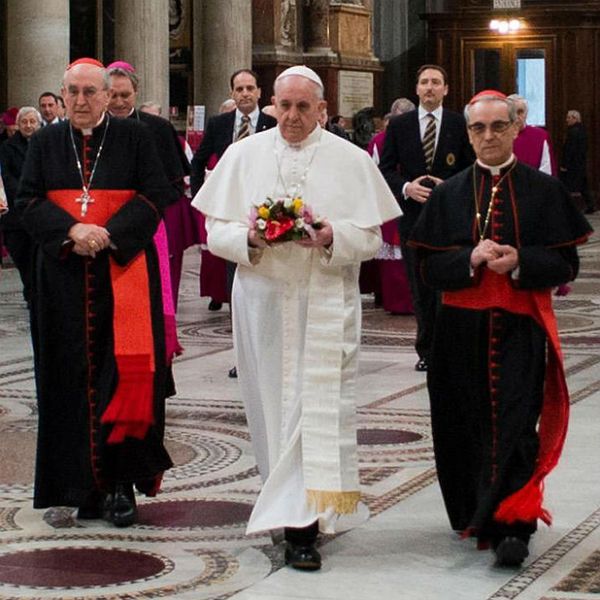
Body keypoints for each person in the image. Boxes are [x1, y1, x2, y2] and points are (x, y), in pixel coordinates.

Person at [192, 65, 401, 571]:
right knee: (268, 403)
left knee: (312, 407)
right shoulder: (243, 155)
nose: (291, 115)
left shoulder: (350, 160)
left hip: (322, 298)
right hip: (261, 298)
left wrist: (333, 236)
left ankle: (303, 525)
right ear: (271, 106)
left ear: (323, 110)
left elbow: (372, 239)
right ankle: (281, 496)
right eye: (283, 105)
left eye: (303, 107)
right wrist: (249, 238)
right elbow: (213, 230)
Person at [408, 90, 592, 567]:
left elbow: (565, 262)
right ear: (468, 134)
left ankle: (515, 523)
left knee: (515, 422)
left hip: (520, 327)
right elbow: (426, 267)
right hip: (457, 332)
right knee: (461, 421)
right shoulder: (448, 193)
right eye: (478, 128)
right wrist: (467, 258)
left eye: (497, 126)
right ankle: (474, 513)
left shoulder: (544, 189)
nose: (488, 136)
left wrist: (521, 261)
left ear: (514, 129)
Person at [17, 57, 176, 527]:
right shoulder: (46, 142)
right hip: (62, 279)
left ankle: (120, 485)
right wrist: (71, 231)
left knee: (122, 378)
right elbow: (26, 201)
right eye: (73, 92)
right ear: (62, 95)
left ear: (108, 96)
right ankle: (78, 485)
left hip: (122, 273)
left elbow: (156, 195)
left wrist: (107, 233)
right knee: (64, 377)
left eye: (91, 92)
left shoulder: (136, 137)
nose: (81, 101)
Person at [380, 64, 474, 372]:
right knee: (419, 285)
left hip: (451, 217)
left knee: (448, 282)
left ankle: (450, 346)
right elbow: (384, 170)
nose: (430, 87)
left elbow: (471, 167)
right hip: (413, 217)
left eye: (436, 82)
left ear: (446, 89)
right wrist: (407, 187)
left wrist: (450, 187)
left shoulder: (460, 124)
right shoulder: (400, 125)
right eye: (424, 82)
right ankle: (427, 349)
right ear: (417, 89)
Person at [190, 68, 277, 374]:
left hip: (268, 216)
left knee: (267, 286)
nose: (244, 94)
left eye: (249, 88)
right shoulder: (219, 125)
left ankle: (267, 353)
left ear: (259, 92)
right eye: (238, 88)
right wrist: (207, 202)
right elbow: (198, 162)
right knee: (235, 287)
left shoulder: (272, 124)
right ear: (232, 93)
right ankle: (242, 357)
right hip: (233, 217)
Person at [107, 60, 192, 310]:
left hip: (149, 225)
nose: (120, 102)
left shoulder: (159, 128)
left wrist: (147, 209)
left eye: (125, 95)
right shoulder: (93, 128)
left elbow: (174, 184)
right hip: (103, 225)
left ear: (136, 93)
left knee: (148, 297)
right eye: (113, 95)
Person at [364, 98, 416, 315]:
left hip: (392, 199)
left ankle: (395, 301)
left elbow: (371, 173)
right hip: (398, 200)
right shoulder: (410, 137)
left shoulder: (379, 140)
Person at [0, 106, 42, 304]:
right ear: (18, 124)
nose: (28, 125)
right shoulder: (7, 147)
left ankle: (36, 295)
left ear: (38, 124)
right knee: (23, 259)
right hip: (16, 216)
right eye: (24, 121)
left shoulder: (45, 145)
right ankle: (31, 291)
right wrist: (26, 192)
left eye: (32, 121)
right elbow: (6, 177)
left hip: (39, 213)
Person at [507, 94, 556, 176]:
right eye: (512, 112)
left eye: (520, 112)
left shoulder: (540, 136)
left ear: (526, 113)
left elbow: (546, 171)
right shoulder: (500, 135)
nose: (516, 116)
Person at [560, 109, 595, 214]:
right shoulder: (582, 130)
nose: (567, 120)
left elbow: (569, 150)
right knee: (583, 186)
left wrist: (564, 164)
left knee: (567, 186)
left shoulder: (573, 132)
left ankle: (568, 208)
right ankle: (590, 205)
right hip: (580, 163)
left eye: (569, 118)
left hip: (572, 165)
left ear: (575, 118)